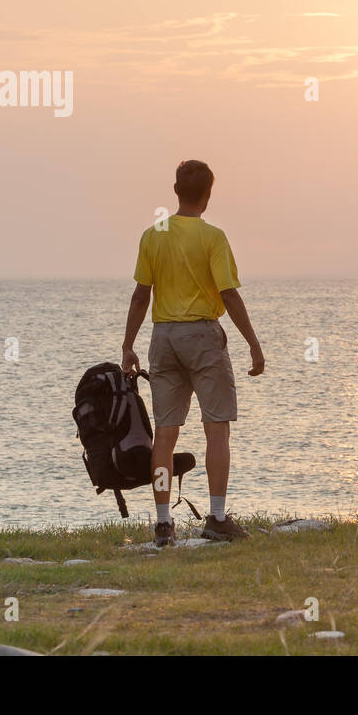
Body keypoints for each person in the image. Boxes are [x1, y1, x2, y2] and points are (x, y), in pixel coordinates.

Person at [121, 159, 265, 545]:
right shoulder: (213, 237)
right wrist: (253, 343)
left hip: (163, 337)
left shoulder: (153, 235)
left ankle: (164, 523)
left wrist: (128, 346)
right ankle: (216, 518)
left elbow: (140, 296)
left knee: (165, 435)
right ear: (208, 195)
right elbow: (228, 295)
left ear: (175, 191)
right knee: (216, 429)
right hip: (202, 337)